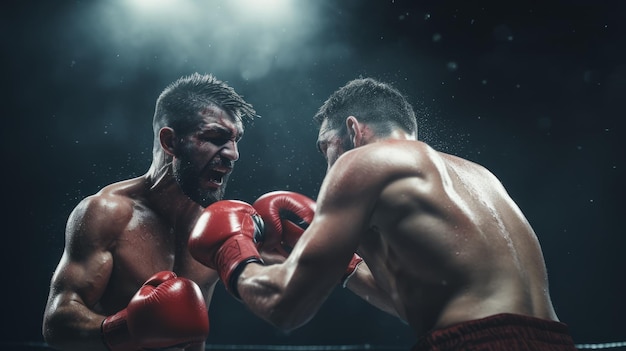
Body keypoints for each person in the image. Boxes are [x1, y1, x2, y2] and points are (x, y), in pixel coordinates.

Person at [187, 77, 579, 350]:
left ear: (354, 130)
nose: (329, 168)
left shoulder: (364, 161)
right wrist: (347, 266)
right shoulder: (479, 177)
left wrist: (233, 254)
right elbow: (415, 303)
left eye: (326, 148)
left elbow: (286, 306)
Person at [42, 72, 258, 351]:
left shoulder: (220, 225)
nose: (233, 154)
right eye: (216, 137)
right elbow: (57, 323)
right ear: (170, 142)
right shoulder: (108, 213)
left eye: (235, 140)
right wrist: (127, 328)